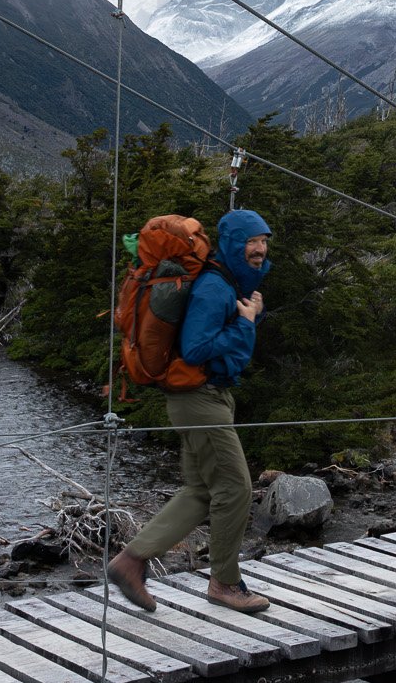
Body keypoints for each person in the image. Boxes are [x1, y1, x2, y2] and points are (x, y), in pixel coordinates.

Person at [107, 208, 274, 614]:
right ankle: (225, 584)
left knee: (201, 491)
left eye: (265, 241)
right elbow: (197, 348)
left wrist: (250, 315)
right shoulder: (214, 288)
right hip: (199, 400)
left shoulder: (225, 282)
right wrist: (247, 323)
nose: (260, 249)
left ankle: (131, 561)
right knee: (236, 489)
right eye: (252, 241)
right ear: (235, 243)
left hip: (204, 398)